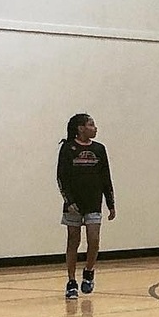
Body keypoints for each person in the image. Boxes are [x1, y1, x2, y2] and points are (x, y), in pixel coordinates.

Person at [56, 113, 116, 299]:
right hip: (74, 205)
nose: (95, 128)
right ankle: (71, 281)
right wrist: (69, 201)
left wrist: (110, 203)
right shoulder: (68, 149)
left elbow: (106, 177)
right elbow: (61, 177)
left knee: (94, 239)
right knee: (73, 241)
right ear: (81, 128)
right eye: (91, 124)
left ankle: (89, 271)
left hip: (93, 202)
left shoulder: (99, 149)